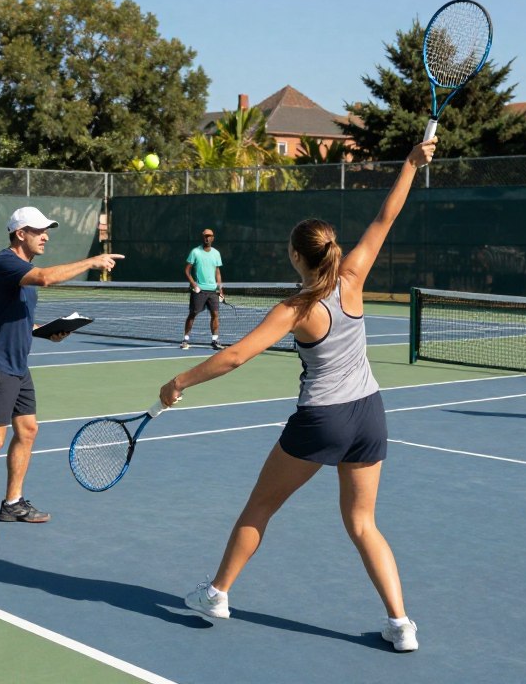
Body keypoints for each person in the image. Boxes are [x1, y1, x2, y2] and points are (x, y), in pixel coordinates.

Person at [160, 138, 438, 653]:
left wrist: (180, 381)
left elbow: (236, 356)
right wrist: (410, 165)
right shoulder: (354, 277)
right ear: (331, 249)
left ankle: (217, 594)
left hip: (323, 420)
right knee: (362, 524)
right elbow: (385, 217)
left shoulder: (296, 307)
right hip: (370, 415)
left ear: (295, 255)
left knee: (259, 507)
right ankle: (401, 626)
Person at [0, 206, 124, 542]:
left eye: (47, 230)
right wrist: (91, 262)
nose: (46, 236)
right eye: (39, 230)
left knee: (28, 430)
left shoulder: (24, 274)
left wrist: (48, 331)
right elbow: (47, 277)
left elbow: (17, 322)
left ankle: (12, 503)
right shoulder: (5, 263)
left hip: (17, 364)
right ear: (21, 234)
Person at [182, 228, 224, 350]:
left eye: (209, 236)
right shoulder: (195, 252)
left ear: (213, 238)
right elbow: (187, 270)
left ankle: (215, 340)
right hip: (199, 290)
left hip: (213, 291)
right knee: (193, 313)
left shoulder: (216, 253)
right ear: (203, 237)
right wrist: (194, 284)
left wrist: (220, 289)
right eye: (205, 236)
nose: (207, 238)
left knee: (215, 314)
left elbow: (217, 272)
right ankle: (185, 339)